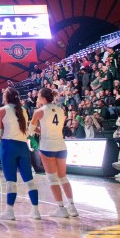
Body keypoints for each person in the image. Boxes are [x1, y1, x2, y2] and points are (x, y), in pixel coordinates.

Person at [30, 87, 78, 218]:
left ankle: (61, 208)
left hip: (47, 147)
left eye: (38, 96)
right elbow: (55, 128)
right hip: (61, 146)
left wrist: (33, 128)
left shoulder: (39, 112)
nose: (37, 98)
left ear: (44, 98)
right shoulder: (61, 110)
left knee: (52, 178)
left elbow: (30, 131)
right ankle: (72, 207)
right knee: (63, 177)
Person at [0, 88, 40, 220]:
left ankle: (9, 212)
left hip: (9, 145)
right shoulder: (23, 110)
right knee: (29, 179)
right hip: (23, 146)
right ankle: (36, 211)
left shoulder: (1, 110)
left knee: (11, 181)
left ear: (6, 97)